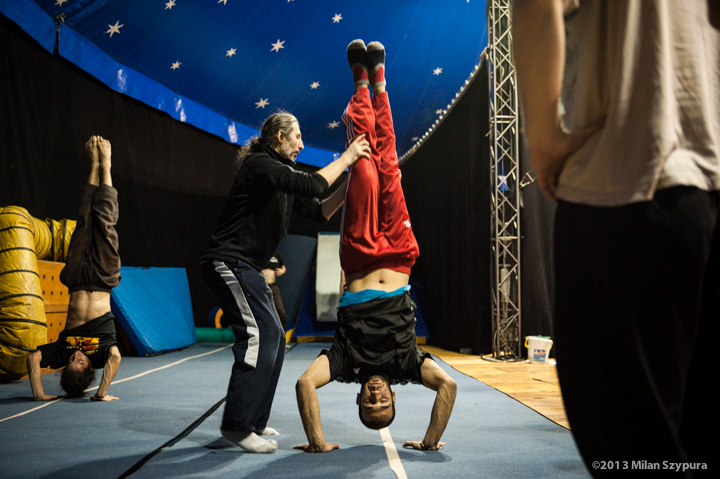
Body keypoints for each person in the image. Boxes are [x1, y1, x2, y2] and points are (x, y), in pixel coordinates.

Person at [512, 0, 719, 474]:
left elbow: (536, 7)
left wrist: (543, 142)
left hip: (627, 184)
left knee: (629, 453)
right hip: (707, 180)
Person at [294, 40, 457, 454]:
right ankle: (379, 81)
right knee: (389, 161)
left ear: (358, 400)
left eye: (369, 404)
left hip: (360, 252)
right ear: (395, 397)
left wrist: (317, 443)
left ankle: (360, 82)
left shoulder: (344, 364)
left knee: (365, 166)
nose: (376, 396)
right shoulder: (407, 366)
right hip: (400, 251)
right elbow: (449, 385)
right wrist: (430, 441)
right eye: (383, 403)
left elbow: (305, 383)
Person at [200, 107, 371, 453]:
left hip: (247, 267)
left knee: (276, 337)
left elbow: (318, 210)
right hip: (228, 261)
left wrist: (351, 182)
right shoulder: (261, 165)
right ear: (280, 138)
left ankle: (252, 422)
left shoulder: (280, 178)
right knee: (259, 336)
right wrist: (348, 157)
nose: (302, 145)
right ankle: (236, 425)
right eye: (298, 137)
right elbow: (312, 183)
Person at [26, 136, 122, 402]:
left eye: (71, 361)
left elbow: (33, 358)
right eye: (79, 362)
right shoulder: (101, 355)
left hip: (77, 279)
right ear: (90, 369)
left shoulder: (62, 351)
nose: (75, 356)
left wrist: (39, 394)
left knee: (83, 220)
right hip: (103, 277)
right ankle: (106, 166)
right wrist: (101, 393)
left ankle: (93, 165)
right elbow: (115, 356)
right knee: (104, 222)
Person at [261, 252, 287, 332]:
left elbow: (283, 266)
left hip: (273, 287)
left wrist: (282, 271)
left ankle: (282, 335)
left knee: (280, 311)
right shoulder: (259, 252)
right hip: (260, 287)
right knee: (262, 312)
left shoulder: (276, 254)